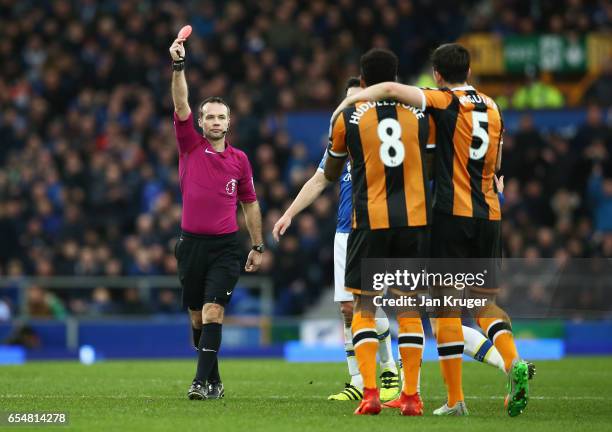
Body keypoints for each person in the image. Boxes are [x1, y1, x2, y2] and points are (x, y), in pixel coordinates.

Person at [337, 43, 530, 417]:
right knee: (484, 303)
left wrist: (347, 105)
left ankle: (456, 400)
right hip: (490, 213)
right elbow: (499, 161)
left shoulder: (442, 100)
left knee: (445, 311)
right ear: (470, 71)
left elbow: (392, 91)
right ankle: (513, 361)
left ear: (438, 76)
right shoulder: (493, 106)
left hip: (451, 216)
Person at [273, 77, 400, 403]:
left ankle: (388, 368)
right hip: (345, 232)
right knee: (347, 309)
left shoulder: (387, 142)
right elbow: (319, 180)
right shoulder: (341, 143)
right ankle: (357, 379)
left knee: (367, 305)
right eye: (347, 101)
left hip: (376, 229)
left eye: (357, 100)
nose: (351, 107)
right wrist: (289, 213)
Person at [324, 48, 431, 416]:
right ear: (397, 76)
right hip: (413, 222)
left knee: (364, 308)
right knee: (409, 309)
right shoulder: (421, 114)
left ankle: (370, 393)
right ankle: (412, 396)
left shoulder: (348, 114)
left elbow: (333, 170)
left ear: (363, 79)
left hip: (368, 223)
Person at [169, 35, 264, 400]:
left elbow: (250, 203)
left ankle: (198, 383)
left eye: (220, 116)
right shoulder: (190, 145)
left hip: (226, 247)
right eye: (208, 116)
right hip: (190, 245)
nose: (214, 121)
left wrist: (257, 245)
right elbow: (180, 102)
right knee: (197, 318)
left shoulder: (240, 160)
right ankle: (215, 381)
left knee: (213, 311)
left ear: (229, 122)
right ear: (202, 122)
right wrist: (178, 66)